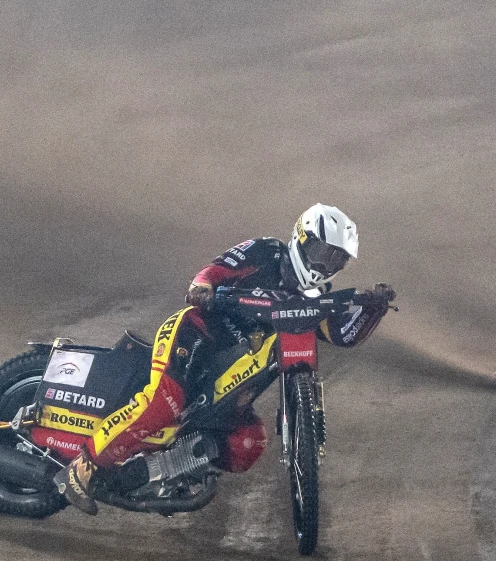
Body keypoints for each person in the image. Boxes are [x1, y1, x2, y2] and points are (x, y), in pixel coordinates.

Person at [58, 203, 397, 512]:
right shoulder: (266, 251)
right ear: (301, 238)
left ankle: (156, 472)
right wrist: (202, 287)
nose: (325, 264)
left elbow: (342, 335)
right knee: (165, 404)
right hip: (195, 334)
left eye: (336, 259)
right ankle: (83, 467)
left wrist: (374, 309)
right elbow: (215, 271)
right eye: (322, 252)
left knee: (247, 443)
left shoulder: (315, 297)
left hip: (231, 376)